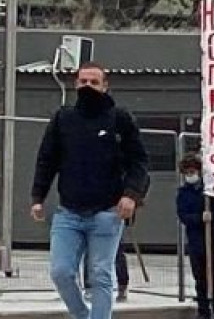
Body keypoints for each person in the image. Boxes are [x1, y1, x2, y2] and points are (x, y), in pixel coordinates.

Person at [30, 63, 149, 319]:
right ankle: (81, 314)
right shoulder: (63, 118)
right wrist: (37, 197)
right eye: (83, 81)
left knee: (100, 275)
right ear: (75, 84)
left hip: (106, 212)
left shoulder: (120, 119)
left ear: (105, 86)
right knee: (61, 272)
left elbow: (139, 162)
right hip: (69, 212)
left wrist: (132, 194)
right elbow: (46, 159)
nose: (88, 87)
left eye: (94, 82)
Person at [177, 155, 214, 319]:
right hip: (196, 241)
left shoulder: (211, 193)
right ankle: (203, 310)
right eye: (187, 172)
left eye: (192, 171)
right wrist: (200, 218)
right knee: (199, 277)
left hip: (213, 240)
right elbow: (183, 215)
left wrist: (212, 219)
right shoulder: (183, 193)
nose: (190, 175)